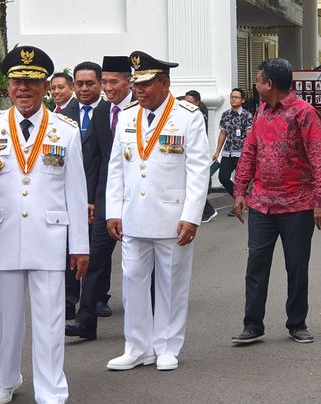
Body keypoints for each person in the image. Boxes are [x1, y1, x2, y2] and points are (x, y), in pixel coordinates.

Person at [0, 45, 89, 404]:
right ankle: (6, 378)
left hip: (49, 235)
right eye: (16, 82)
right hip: (3, 232)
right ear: (8, 86)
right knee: (4, 317)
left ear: (45, 87)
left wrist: (80, 246)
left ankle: (51, 387)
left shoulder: (64, 131)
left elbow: (75, 190)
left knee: (51, 317)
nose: (23, 88)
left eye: (31, 82)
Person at [105, 51, 210, 372]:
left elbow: (198, 170)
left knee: (171, 283)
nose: (138, 90)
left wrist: (192, 216)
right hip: (133, 215)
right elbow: (116, 168)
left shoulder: (188, 116)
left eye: (146, 84)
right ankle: (137, 347)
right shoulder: (127, 116)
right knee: (133, 281)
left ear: (165, 83)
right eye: (136, 83)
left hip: (172, 216)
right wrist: (113, 210)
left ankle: (167, 345)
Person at [231, 58, 321, 346]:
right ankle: (252, 325)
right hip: (262, 204)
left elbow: (319, 157)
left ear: (269, 84)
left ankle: (297, 323)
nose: (255, 84)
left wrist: (320, 200)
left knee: (297, 266)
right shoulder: (260, 111)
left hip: (297, 205)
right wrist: (240, 190)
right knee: (256, 265)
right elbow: (249, 151)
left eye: (258, 79)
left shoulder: (304, 114)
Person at [66, 55, 133, 340]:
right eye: (104, 82)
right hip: (107, 198)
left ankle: (150, 319)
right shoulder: (103, 111)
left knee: (140, 265)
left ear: (128, 82)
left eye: (112, 82)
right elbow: (93, 158)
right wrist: (91, 199)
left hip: (139, 198)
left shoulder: (142, 108)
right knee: (94, 260)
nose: (107, 87)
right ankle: (86, 321)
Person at [61, 61, 103, 319]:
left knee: (96, 250)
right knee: (69, 247)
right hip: (69, 195)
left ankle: (97, 298)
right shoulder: (64, 115)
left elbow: (107, 161)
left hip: (97, 191)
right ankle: (68, 299)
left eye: (90, 83)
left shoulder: (109, 113)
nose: (84, 88)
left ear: (99, 84)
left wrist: (95, 198)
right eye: (79, 84)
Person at [212, 88, 254, 216]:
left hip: (241, 152)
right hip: (227, 152)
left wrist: (248, 152)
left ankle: (239, 203)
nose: (233, 99)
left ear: (242, 100)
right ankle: (240, 198)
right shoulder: (225, 114)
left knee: (240, 179)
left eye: (236, 97)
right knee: (223, 177)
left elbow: (249, 135)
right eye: (232, 97)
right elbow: (223, 133)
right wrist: (217, 151)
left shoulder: (247, 115)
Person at [183, 90, 217, 223]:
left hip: (196, 152)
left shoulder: (198, 116)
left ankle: (207, 211)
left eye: (190, 102)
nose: (186, 104)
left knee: (194, 183)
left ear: (197, 103)